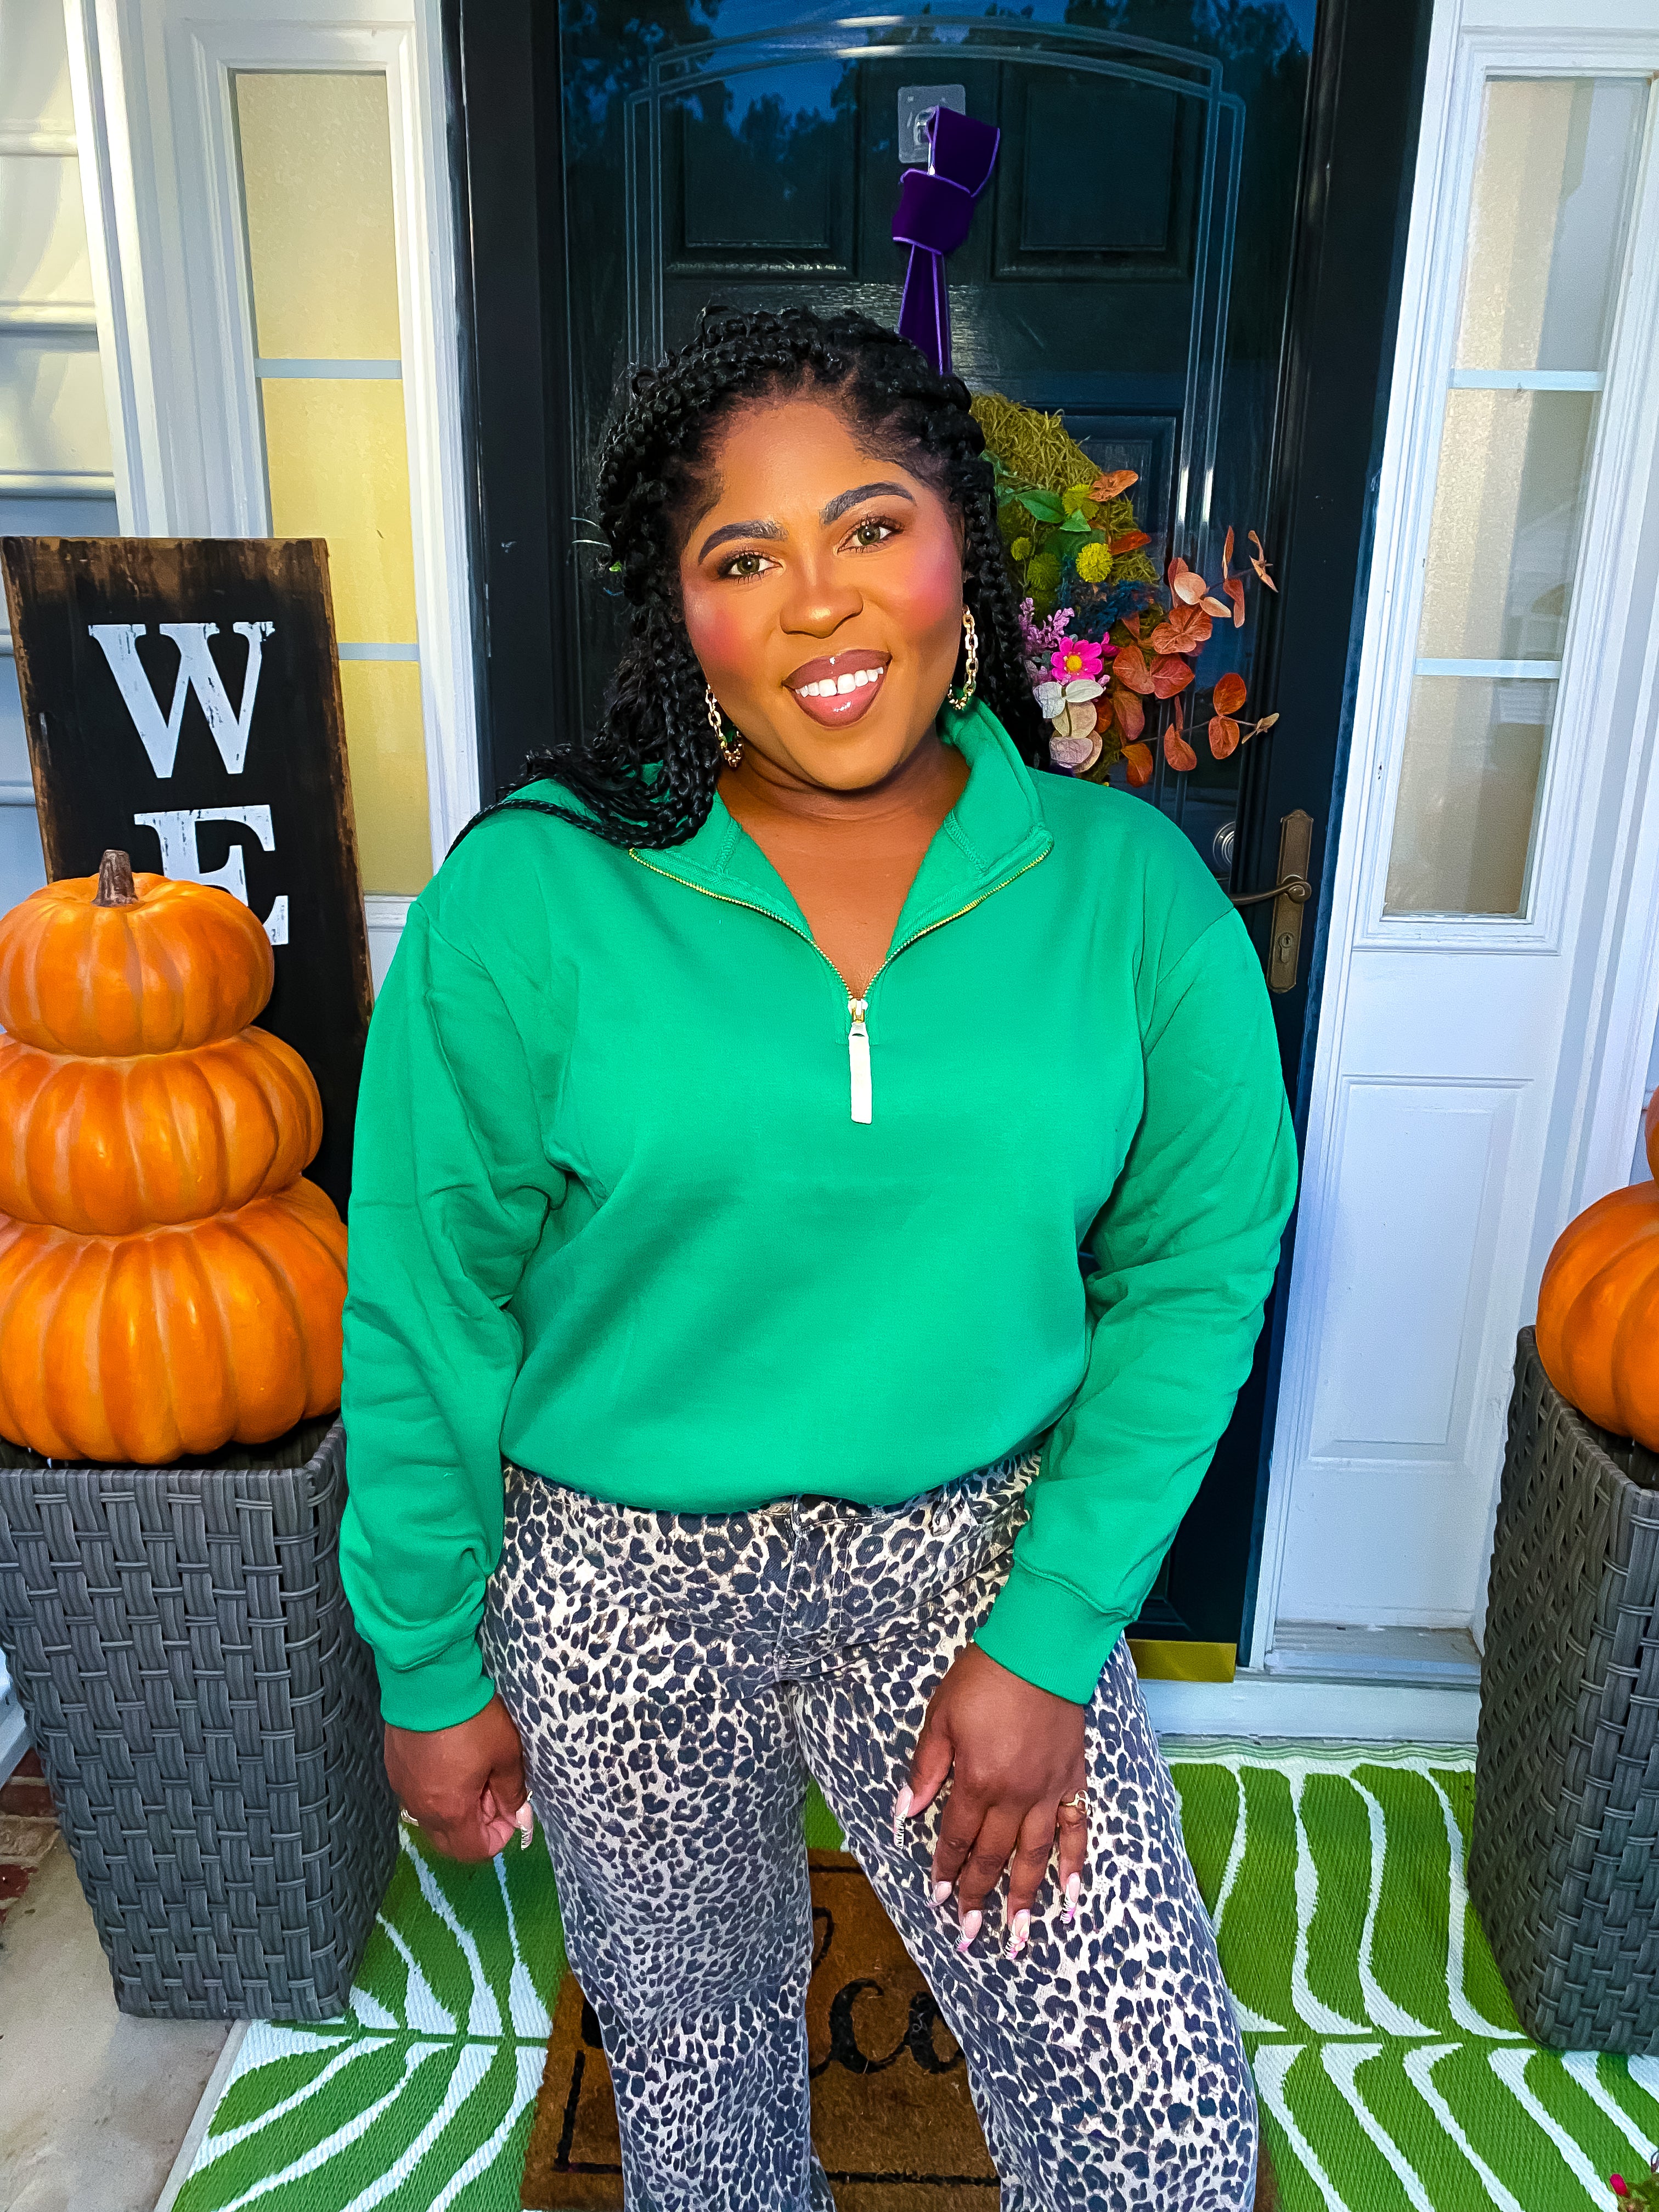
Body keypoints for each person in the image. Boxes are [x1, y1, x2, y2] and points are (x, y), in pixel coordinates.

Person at [340, 304, 1297, 2210]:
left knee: (1159, 2125)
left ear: (961, 549)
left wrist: (1048, 1637)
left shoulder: (1128, 897)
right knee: (697, 2094)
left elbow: (1196, 1273)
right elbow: (426, 1301)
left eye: (869, 526)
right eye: (742, 556)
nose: (818, 603)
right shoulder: (532, 893)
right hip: (612, 1578)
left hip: (970, 1556)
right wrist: (427, 1661)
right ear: (680, 614)